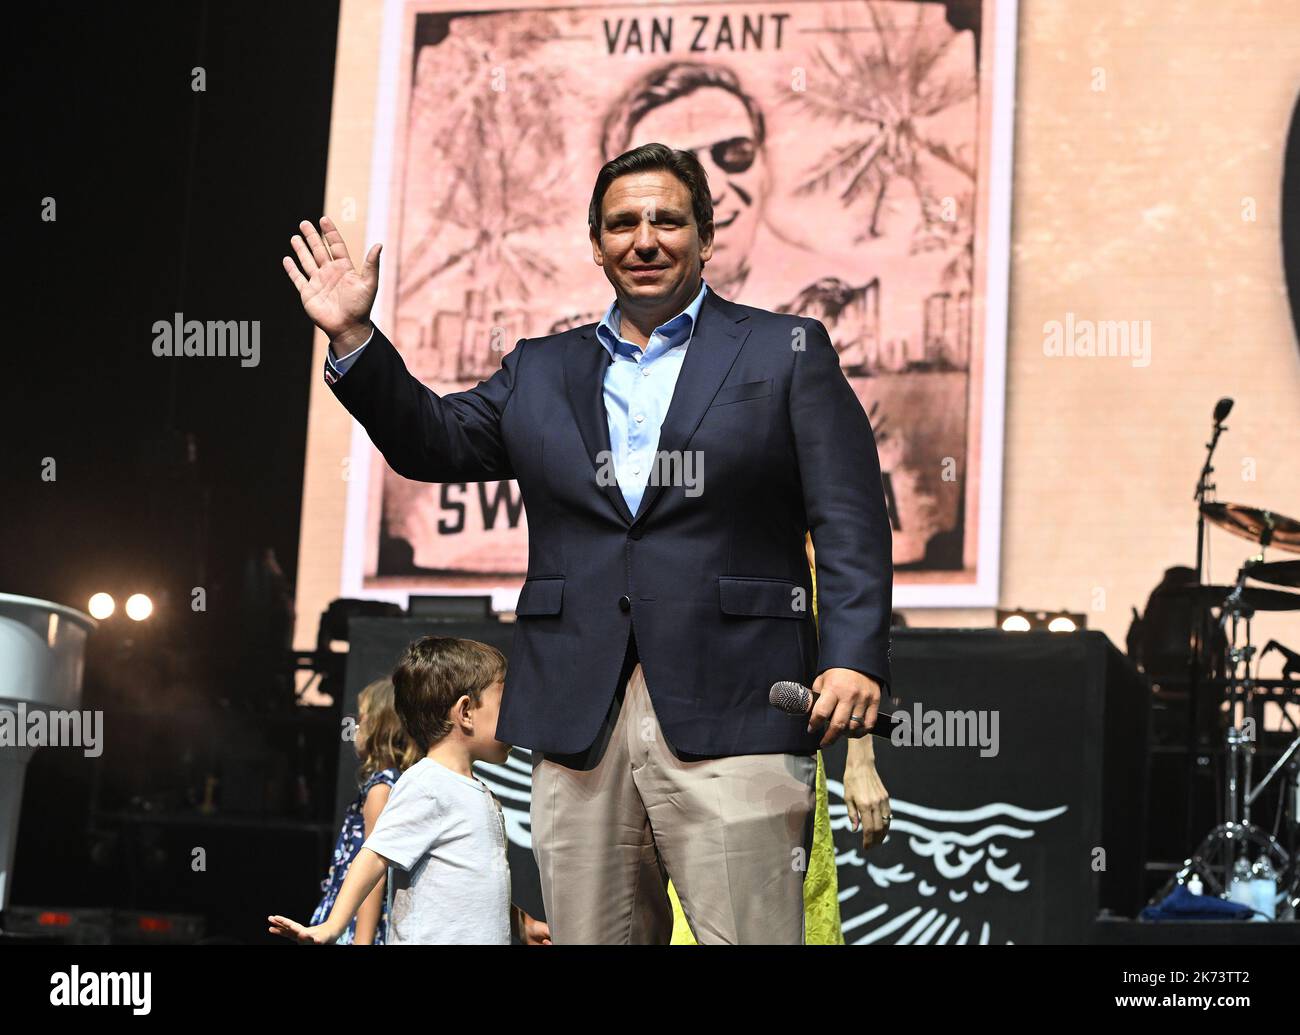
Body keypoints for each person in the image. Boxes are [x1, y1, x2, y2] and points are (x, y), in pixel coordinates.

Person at [282, 141, 893, 944]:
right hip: (580, 719)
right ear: (596, 243)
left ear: (707, 237)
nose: (646, 238)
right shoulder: (540, 369)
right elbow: (432, 442)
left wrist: (851, 654)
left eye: (668, 220)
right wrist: (357, 339)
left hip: (735, 705)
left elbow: (849, 515)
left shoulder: (785, 350)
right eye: (623, 223)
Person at [268, 637, 550, 945]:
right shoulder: (427, 784)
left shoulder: (475, 791)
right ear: (465, 712)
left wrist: (523, 924)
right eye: (503, 705)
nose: (515, 717)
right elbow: (374, 855)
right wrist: (331, 927)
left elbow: (473, 891)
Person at [308, 678, 420, 944]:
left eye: (362, 717)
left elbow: (375, 875)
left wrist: (362, 941)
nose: (356, 725)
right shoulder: (396, 783)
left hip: (359, 926)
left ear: (381, 726)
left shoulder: (381, 789)